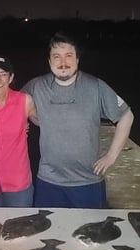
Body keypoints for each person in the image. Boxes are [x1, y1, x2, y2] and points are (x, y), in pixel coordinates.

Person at [21, 31, 134, 208]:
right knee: (48, 232)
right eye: (56, 56)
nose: (63, 62)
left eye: (69, 56)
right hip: (48, 181)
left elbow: (126, 115)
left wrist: (111, 156)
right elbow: (9, 102)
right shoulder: (36, 86)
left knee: (92, 233)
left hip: (88, 181)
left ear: (77, 59)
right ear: (49, 61)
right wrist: (32, 116)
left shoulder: (95, 86)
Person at [0, 55, 38, 207]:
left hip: (19, 184)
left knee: (21, 229)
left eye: (3, 75)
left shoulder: (25, 101)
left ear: (11, 78)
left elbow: (45, 122)